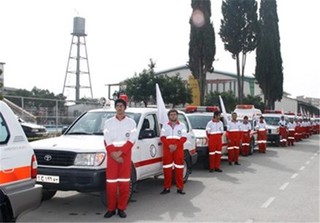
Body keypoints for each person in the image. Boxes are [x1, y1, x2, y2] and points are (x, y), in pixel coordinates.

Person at [103, 98, 137, 218]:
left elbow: (132, 139)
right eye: (117, 106)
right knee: (111, 184)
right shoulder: (108, 123)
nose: (119, 108)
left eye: (121, 106)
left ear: (125, 107)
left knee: (124, 184)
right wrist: (114, 154)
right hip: (112, 156)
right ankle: (111, 208)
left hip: (125, 156)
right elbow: (106, 140)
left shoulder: (131, 123)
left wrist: (121, 153)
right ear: (115, 108)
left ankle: (121, 208)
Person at [160, 109, 187, 195]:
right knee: (167, 169)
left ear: (177, 116)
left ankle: (180, 188)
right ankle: (167, 187)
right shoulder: (165, 125)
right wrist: (169, 146)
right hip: (167, 149)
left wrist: (175, 146)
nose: (173, 116)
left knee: (179, 169)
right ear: (169, 116)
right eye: (171, 115)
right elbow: (162, 137)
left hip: (178, 149)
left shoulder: (182, 125)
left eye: (174, 114)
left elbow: (184, 138)